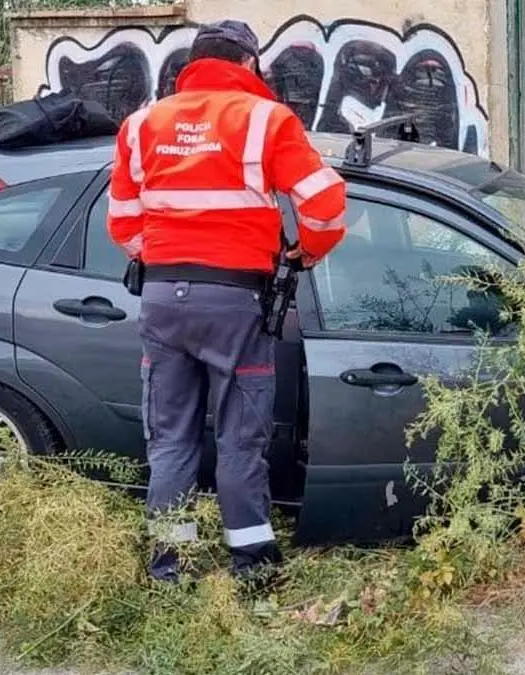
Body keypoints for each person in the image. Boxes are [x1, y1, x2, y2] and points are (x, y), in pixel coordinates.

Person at [106, 19, 348, 584]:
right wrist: (304, 251)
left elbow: (122, 222)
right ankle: (252, 569)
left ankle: (171, 570)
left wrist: (166, 256)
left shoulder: (142, 123)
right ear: (248, 64)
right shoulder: (265, 119)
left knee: (170, 439)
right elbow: (325, 199)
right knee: (239, 438)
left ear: (194, 63)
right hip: (236, 300)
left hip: (163, 298)